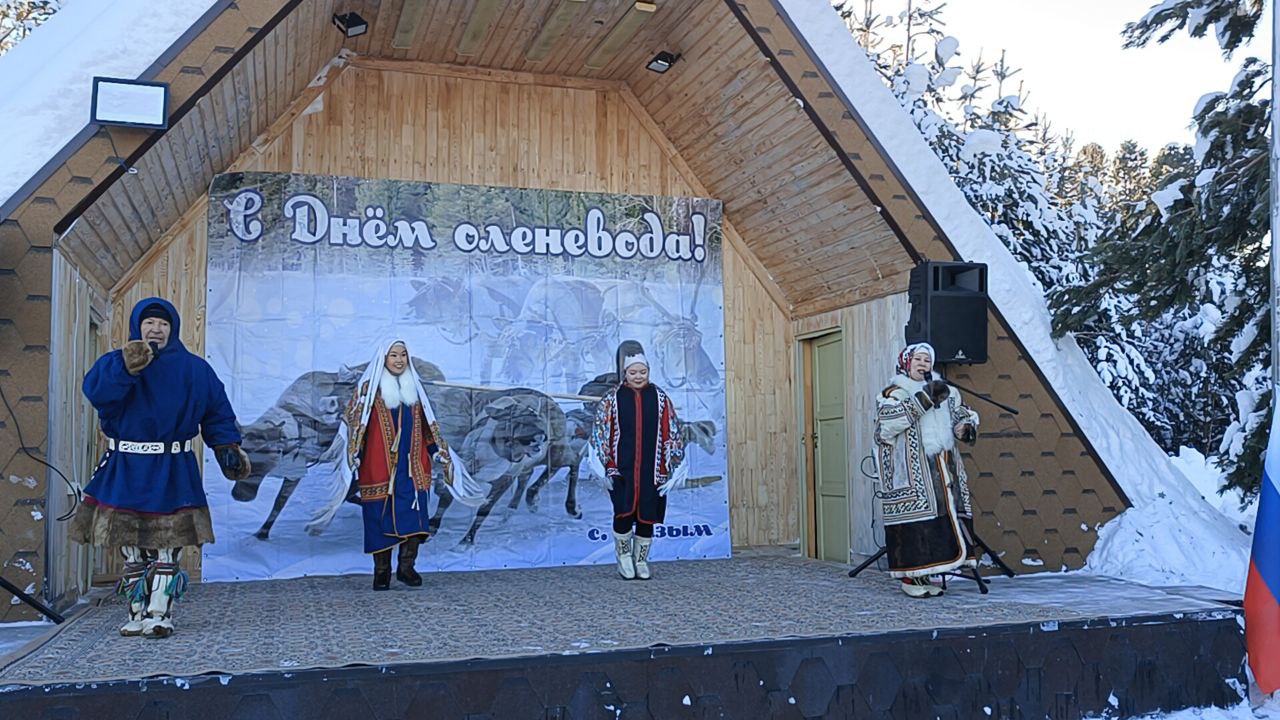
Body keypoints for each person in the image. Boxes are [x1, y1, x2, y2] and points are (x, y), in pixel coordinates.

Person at [71, 297, 250, 638]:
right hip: (126, 465)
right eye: (150, 323)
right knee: (132, 548)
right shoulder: (115, 363)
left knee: (167, 547)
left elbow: (217, 411)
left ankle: (159, 614)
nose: (156, 329)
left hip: (172, 467)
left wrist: (226, 446)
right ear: (138, 326)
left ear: (173, 329)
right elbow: (97, 393)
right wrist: (127, 366)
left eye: (163, 324)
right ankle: (135, 612)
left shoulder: (195, 370)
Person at [336, 339, 479, 590]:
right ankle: (382, 572)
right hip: (378, 467)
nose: (399, 360)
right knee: (378, 520)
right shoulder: (369, 390)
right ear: (383, 358)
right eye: (394, 355)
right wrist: (354, 452)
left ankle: (406, 567)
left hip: (413, 468)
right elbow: (355, 425)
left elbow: (427, 428)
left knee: (414, 519)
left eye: (403, 355)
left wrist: (436, 452)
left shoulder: (416, 390)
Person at [873, 342, 981, 597]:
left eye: (927, 361)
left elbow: (963, 415)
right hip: (912, 475)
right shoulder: (894, 394)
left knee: (941, 522)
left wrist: (964, 427)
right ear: (906, 363)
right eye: (918, 360)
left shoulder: (947, 392)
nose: (923, 365)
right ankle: (911, 579)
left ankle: (929, 576)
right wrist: (925, 398)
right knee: (916, 527)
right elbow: (887, 426)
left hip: (943, 472)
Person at [590, 340, 686, 580]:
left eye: (642, 372)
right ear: (625, 373)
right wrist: (604, 464)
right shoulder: (612, 399)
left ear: (648, 371)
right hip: (621, 468)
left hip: (652, 469)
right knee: (623, 513)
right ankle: (624, 557)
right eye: (633, 372)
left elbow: (672, 430)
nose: (638, 376)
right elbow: (601, 431)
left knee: (647, 516)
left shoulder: (660, 398)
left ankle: (641, 559)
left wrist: (675, 463)